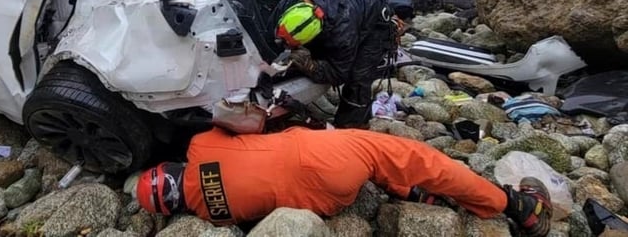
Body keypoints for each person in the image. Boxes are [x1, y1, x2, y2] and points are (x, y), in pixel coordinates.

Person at [131, 126, 552, 237]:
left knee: (378, 171)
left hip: (329, 201)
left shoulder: (214, 215)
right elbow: (247, 123)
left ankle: (415, 195)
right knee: (417, 157)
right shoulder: (202, 146)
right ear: (169, 168)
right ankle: (516, 207)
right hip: (322, 157)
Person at [272, 0, 396, 127]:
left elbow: (338, 74)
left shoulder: (342, 37)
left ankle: (349, 126)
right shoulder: (292, 5)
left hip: (374, 22)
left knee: (358, 79)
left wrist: (310, 65)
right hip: (350, 4)